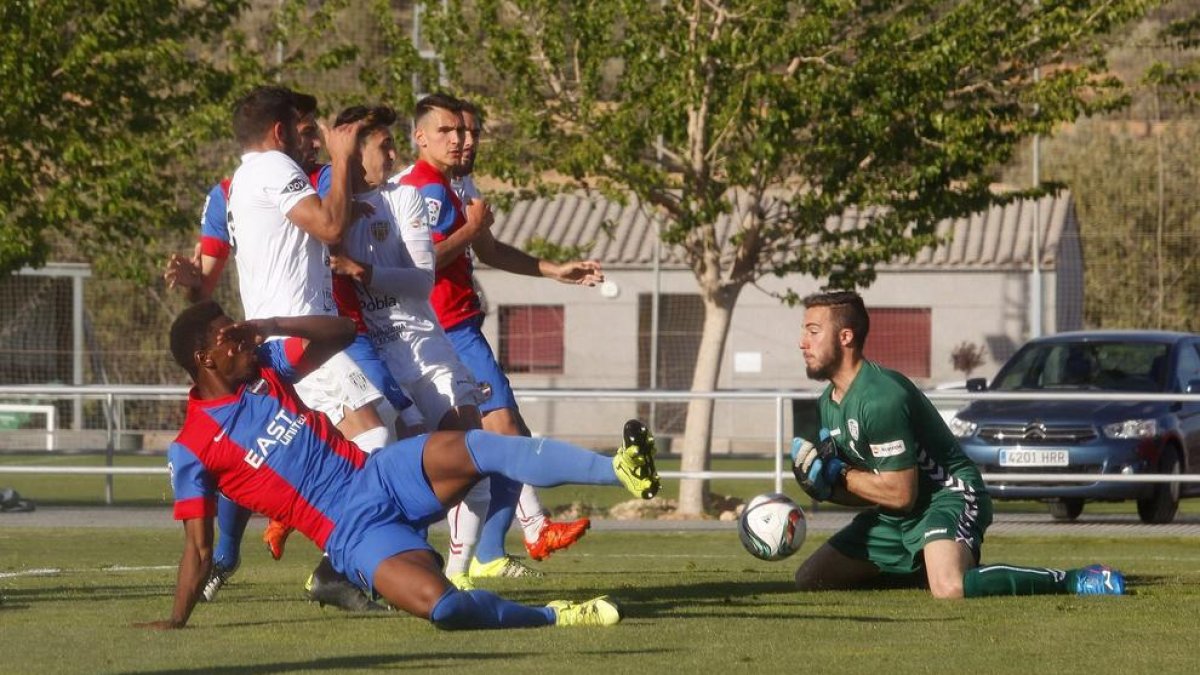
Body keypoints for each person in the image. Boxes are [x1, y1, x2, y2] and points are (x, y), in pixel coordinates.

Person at [136, 301, 661, 630]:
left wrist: (269, 323)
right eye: (232, 338)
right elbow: (198, 548)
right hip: (353, 533)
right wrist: (176, 620)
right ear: (205, 359)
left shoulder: (268, 366)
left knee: (479, 445)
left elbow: (340, 331)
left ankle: (620, 468)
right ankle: (558, 615)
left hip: (381, 473)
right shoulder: (192, 445)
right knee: (445, 608)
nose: (245, 342)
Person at [164, 85, 390, 609]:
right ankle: (337, 567)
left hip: (277, 338)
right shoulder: (274, 169)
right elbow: (330, 226)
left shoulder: (243, 179)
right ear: (280, 131)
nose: (311, 138)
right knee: (376, 437)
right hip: (295, 337)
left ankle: (239, 551)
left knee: (271, 452)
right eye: (304, 128)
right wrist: (341, 155)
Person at [790, 290, 1125, 598]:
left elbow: (900, 493)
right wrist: (826, 487)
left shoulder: (880, 398)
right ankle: (929, 563)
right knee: (811, 579)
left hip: (948, 496)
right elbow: (875, 488)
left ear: (845, 336)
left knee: (949, 588)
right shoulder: (828, 404)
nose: (802, 342)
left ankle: (1072, 579)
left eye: (813, 331)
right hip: (897, 516)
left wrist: (841, 474)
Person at [395, 95, 600, 583]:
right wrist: (469, 228)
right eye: (452, 132)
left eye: (470, 133)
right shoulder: (420, 189)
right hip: (447, 331)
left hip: (460, 327)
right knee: (501, 438)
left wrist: (552, 270)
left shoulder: (456, 183)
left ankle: (494, 546)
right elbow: (424, 262)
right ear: (422, 135)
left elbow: (484, 247)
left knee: (497, 440)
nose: (464, 141)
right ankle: (514, 537)